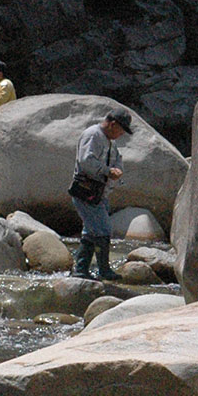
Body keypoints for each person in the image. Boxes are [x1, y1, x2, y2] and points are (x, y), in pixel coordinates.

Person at [69, 108, 131, 280]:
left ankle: (81, 270)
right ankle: (103, 270)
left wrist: (117, 169)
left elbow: (117, 158)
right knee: (103, 230)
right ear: (113, 124)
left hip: (99, 193)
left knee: (91, 231)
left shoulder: (109, 140)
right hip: (86, 191)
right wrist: (107, 171)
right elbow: (86, 161)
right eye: (121, 130)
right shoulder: (93, 135)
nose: (121, 134)